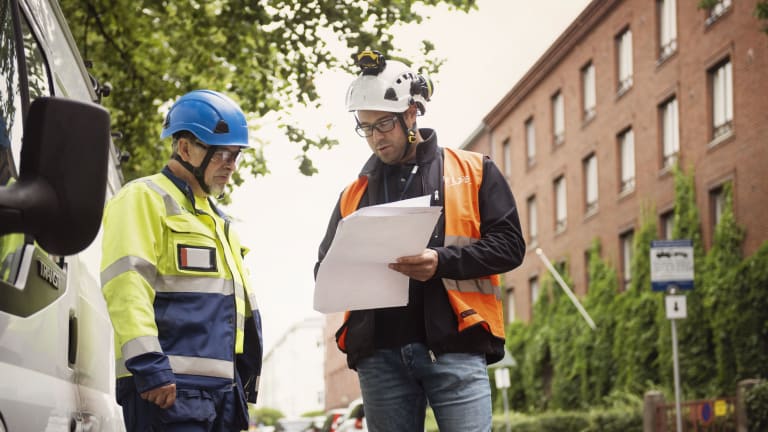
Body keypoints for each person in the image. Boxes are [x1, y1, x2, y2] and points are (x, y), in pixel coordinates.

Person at [315, 51, 526, 432]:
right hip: (379, 356)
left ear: (411, 114)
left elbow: (511, 246)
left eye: (384, 124)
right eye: (365, 128)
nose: (376, 138)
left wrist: (440, 261)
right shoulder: (353, 194)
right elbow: (324, 269)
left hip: (456, 346)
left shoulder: (474, 170)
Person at [101, 89, 263, 431]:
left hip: (222, 395)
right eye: (222, 154)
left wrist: (242, 382)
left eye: (236, 155)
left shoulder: (220, 221)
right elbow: (126, 285)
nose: (231, 166)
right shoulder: (143, 198)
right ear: (185, 147)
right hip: (167, 392)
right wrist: (149, 367)